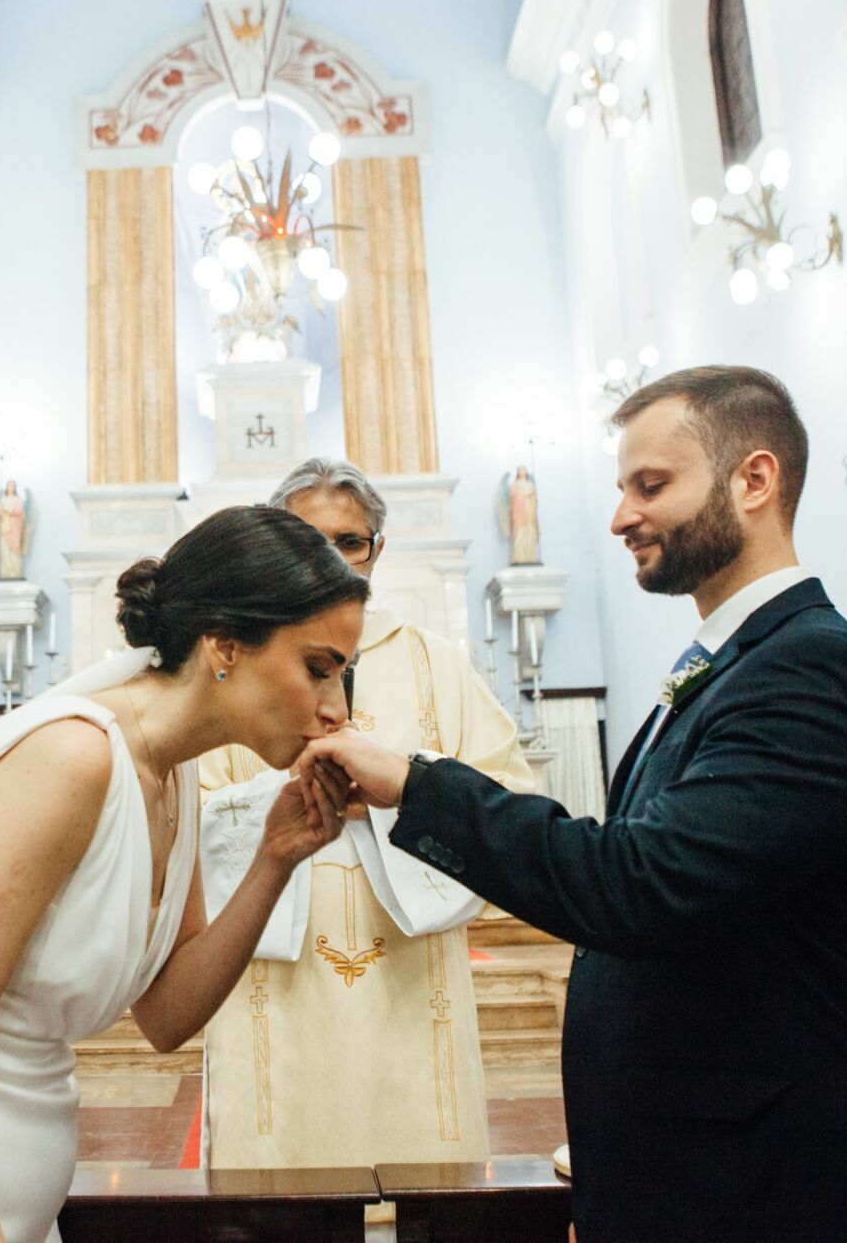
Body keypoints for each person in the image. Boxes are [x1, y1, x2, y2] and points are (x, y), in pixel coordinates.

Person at [295, 367, 847, 1242]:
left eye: (651, 485)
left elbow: (637, 884)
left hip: (774, 1188)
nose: (620, 517)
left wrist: (412, 783)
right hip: (697, 1176)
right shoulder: (738, 666)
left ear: (754, 480)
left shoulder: (818, 672)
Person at [0, 505, 368, 1243]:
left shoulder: (174, 775)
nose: (337, 710)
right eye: (318, 670)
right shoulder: (71, 759)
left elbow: (167, 1017)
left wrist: (275, 857)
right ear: (224, 643)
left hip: (4, 1200)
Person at [196, 458, 536, 1171]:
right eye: (306, 539)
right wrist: (293, 803)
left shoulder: (436, 664)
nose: (329, 559)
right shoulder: (231, 665)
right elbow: (189, 816)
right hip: (273, 982)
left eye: (348, 542)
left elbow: (509, 798)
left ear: (376, 550)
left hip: (411, 983)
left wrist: (400, 796)